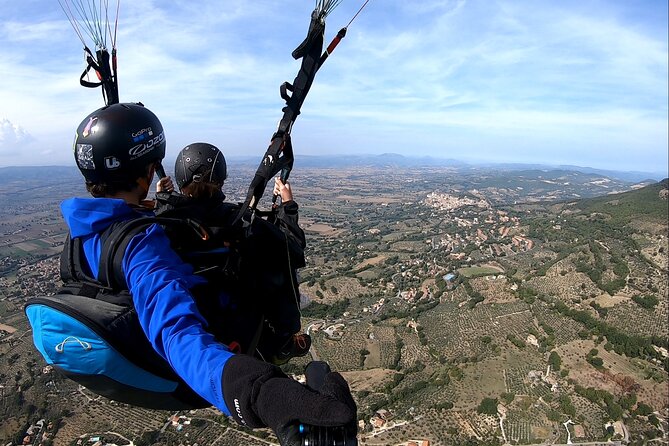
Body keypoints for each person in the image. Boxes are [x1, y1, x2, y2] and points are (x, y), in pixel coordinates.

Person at [62, 102, 356, 444]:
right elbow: (177, 334)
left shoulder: (83, 232)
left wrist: (160, 204)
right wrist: (266, 396)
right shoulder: (142, 244)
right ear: (147, 169)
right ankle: (282, 343)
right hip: (196, 361)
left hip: (122, 350)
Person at [154, 142, 310, 364]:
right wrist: (287, 205)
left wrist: (163, 204)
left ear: (180, 181)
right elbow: (292, 248)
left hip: (184, 325)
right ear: (222, 180)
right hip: (240, 324)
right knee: (277, 263)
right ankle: (282, 342)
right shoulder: (240, 222)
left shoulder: (164, 224)